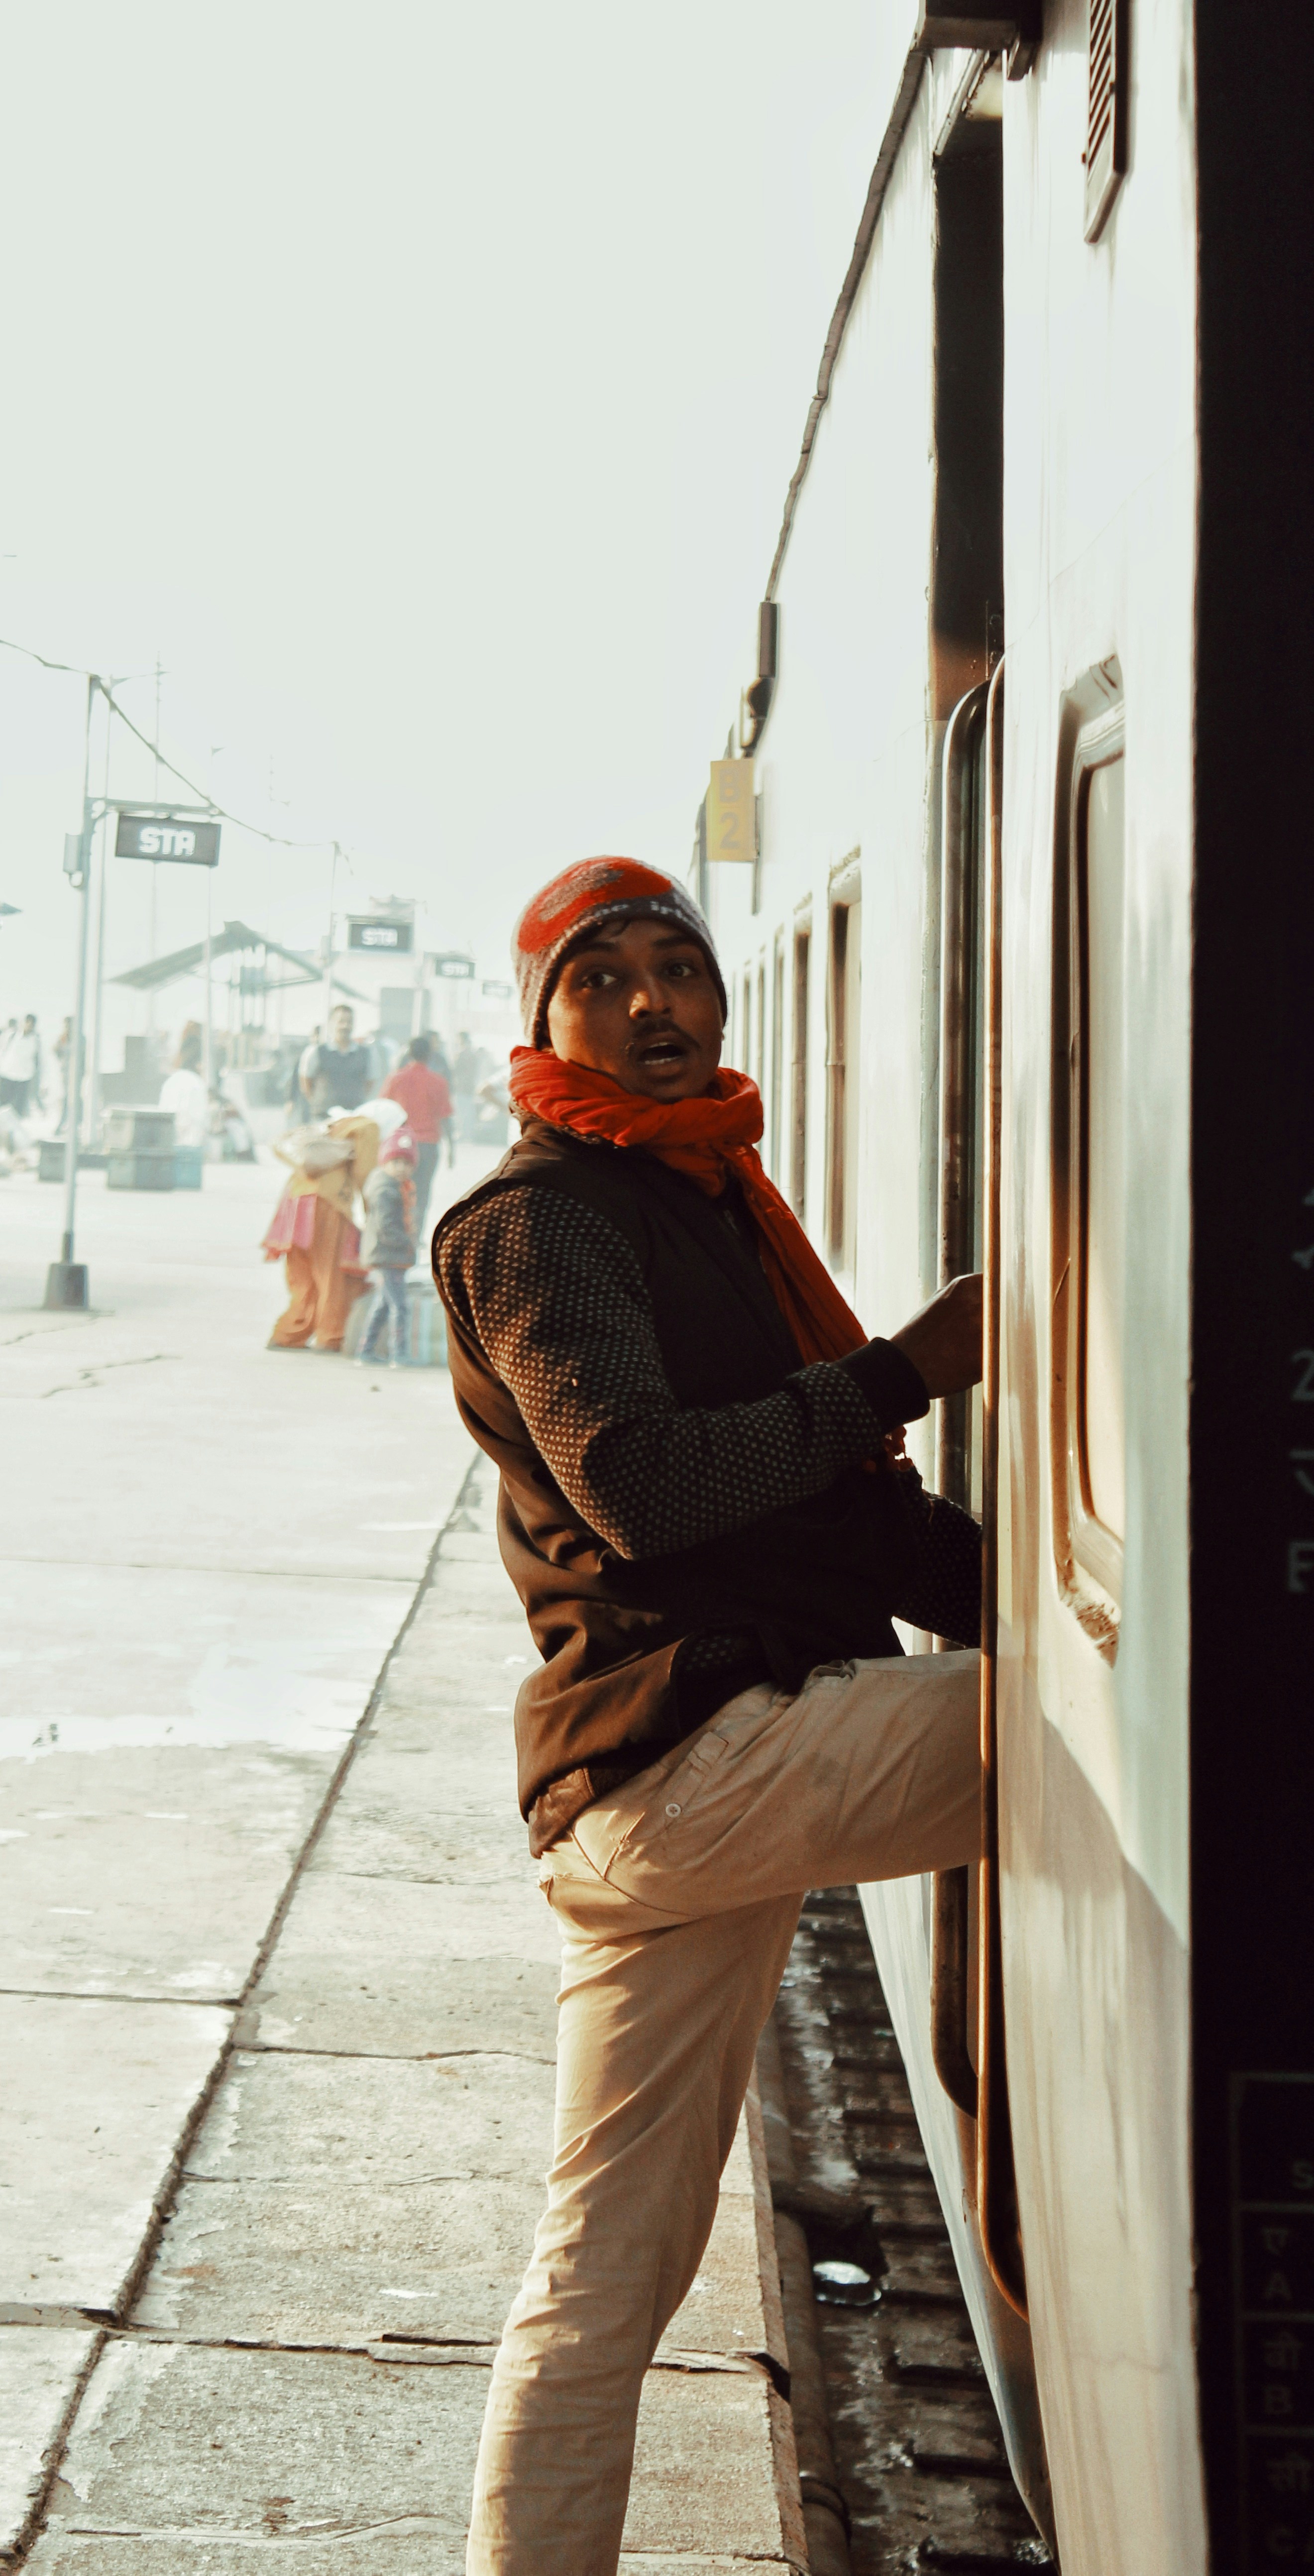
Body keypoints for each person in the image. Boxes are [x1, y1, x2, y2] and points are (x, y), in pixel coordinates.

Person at [432, 856, 986, 2575]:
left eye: (681, 966)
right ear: (542, 1017)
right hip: (693, 1754)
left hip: (673, 1792)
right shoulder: (538, 1222)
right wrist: (897, 1371)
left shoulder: (707, 1201)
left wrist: (1023, 1576)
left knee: (604, 2274)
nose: (658, 1003)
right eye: (606, 979)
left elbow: (858, 1517)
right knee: (1096, 1727)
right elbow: (647, 1487)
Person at [263, 1110, 378, 1350]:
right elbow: (365, 1176)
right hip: (327, 1203)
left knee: (303, 1276)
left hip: (295, 1200)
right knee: (332, 1274)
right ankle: (332, 1336)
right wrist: (373, 1216)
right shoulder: (368, 1129)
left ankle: (288, 1334)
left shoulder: (333, 1127)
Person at [381, 1033, 454, 1242]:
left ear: (409, 1053)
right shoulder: (439, 1082)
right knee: (421, 1193)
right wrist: (451, 1150)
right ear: (430, 1055)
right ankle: (414, 1238)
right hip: (428, 1146)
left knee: (394, 1189)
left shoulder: (395, 1079)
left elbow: (383, 1110)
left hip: (398, 1146)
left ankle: (394, 1235)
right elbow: (446, 1118)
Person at [355, 1125, 418, 1366]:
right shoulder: (385, 1189)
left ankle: (366, 1352)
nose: (401, 1168)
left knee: (384, 1305)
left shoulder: (397, 1187)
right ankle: (399, 1355)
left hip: (390, 1255)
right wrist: (409, 1243)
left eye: (406, 1163)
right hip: (387, 1255)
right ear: (385, 1163)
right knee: (400, 1307)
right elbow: (386, 1228)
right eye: (396, 1162)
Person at [298, 1005, 375, 1116]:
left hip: (354, 1116)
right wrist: (319, 1102)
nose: (345, 1026)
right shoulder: (316, 1052)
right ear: (331, 1024)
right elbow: (306, 1082)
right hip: (323, 1116)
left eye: (349, 1022)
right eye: (341, 1021)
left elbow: (370, 1083)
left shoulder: (366, 1053)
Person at [157, 1027, 209, 1152]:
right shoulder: (197, 1084)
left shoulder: (171, 1081)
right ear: (199, 1062)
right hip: (188, 1148)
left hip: (166, 1144)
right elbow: (199, 1118)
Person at [0, 1014, 40, 1118]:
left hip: (23, 1078)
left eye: (32, 1024)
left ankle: (13, 1132)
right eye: (28, 1023)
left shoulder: (36, 1040)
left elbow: (39, 1061)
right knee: (2, 1107)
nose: (29, 1026)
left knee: (18, 1110)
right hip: (7, 1075)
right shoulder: (11, 1035)